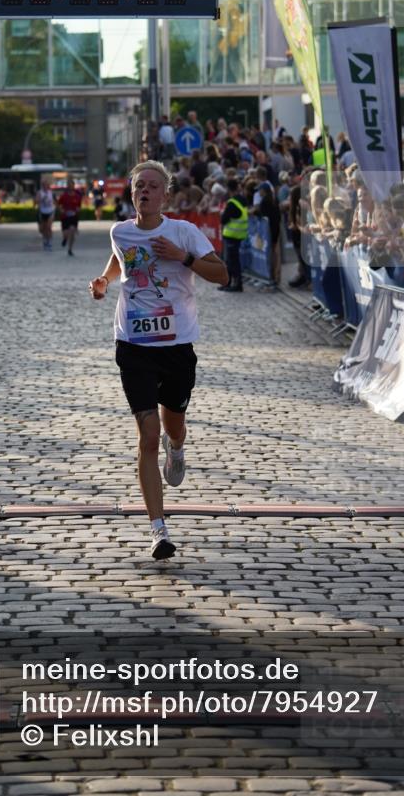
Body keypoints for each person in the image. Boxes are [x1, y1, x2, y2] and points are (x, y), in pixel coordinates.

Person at [88, 160, 228, 560]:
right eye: (138, 187)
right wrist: (103, 282)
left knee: (173, 427)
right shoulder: (120, 231)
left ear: (165, 195)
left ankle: (178, 448)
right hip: (133, 346)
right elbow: (121, 259)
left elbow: (222, 275)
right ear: (132, 194)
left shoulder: (183, 232)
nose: (144, 192)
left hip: (177, 345)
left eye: (152, 186)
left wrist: (183, 258)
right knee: (147, 434)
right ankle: (158, 530)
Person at [219, 177, 248, 293]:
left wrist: (222, 214)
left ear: (228, 189)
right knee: (231, 260)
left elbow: (224, 219)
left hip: (231, 235)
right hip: (239, 234)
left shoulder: (232, 203)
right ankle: (229, 283)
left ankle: (236, 284)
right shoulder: (242, 199)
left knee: (231, 261)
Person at [58, 175, 82, 255]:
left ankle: (70, 249)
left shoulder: (77, 196)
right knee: (66, 233)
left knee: (72, 231)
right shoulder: (63, 196)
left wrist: (78, 210)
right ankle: (65, 239)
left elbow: (79, 206)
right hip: (65, 217)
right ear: (67, 186)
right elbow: (59, 205)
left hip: (73, 217)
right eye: (69, 185)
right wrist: (61, 210)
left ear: (73, 186)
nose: (70, 187)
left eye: (72, 185)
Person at [35, 175, 56, 250]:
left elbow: (55, 202)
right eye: (43, 185)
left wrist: (55, 208)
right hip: (42, 211)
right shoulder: (39, 193)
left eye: (46, 185)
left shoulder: (51, 192)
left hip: (50, 211)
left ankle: (49, 242)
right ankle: (45, 240)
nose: (45, 186)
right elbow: (36, 201)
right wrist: (40, 199)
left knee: (49, 227)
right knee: (42, 229)